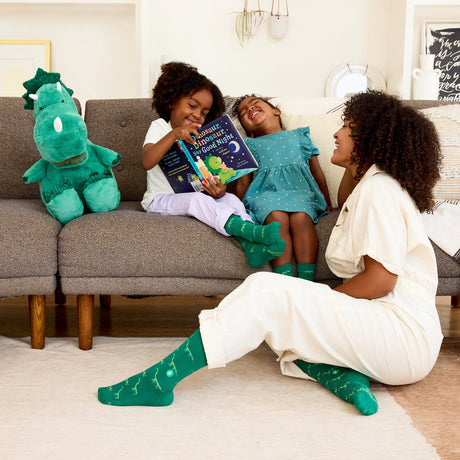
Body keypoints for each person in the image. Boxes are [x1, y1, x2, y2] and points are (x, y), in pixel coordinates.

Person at [98, 91, 443, 416]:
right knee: (276, 312)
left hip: (401, 335)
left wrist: (313, 301)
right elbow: (344, 196)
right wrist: (357, 166)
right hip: (387, 331)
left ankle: (162, 380)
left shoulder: (380, 190)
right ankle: (340, 375)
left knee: (265, 292)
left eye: (347, 128)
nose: (336, 134)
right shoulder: (371, 185)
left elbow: (381, 280)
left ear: (370, 139)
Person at [141, 62, 285, 268]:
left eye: (204, 112)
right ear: (172, 101)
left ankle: (252, 245)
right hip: (159, 201)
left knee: (231, 199)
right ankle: (254, 233)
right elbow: (147, 161)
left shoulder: (198, 137)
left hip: (189, 195)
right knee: (196, 201)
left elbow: (204, 183)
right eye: (192, 106)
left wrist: (218, 192)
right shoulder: (160, 127)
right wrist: (174, 135)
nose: (197, 115)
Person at [233, 95, 332, 280]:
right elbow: (243, 182)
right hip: (266, 194)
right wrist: (238, 209)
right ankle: (284, 279)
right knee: (276, 219)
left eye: (254, 103)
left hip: (300, 192)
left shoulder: (299, 136)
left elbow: (316, 171)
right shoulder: (249, 145)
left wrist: (327, 200)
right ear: (246, 128)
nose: (249, 109)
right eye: (243, 112)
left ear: (276, 111)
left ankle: (306, 280)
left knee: (301, 218)